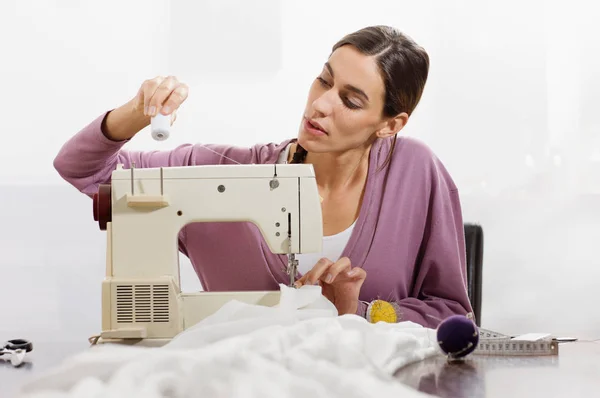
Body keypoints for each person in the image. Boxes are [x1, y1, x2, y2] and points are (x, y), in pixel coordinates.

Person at [54, 25, 474, 328]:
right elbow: (81, 168)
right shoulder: (222, 171)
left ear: (389, 125)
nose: (321, 104)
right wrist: (135, 111)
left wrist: (358, 311)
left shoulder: (415, 172)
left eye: (350, 99)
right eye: (324, 80)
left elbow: (451, 314)